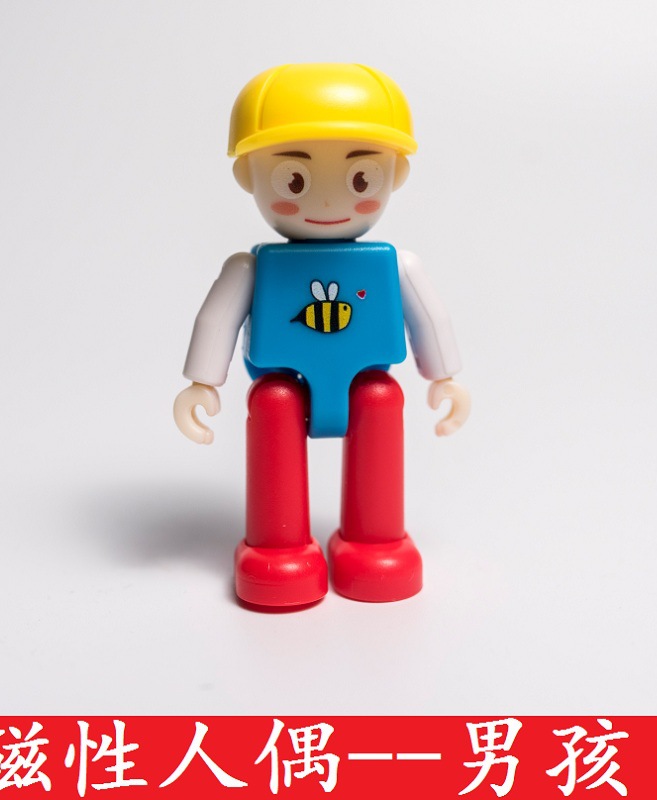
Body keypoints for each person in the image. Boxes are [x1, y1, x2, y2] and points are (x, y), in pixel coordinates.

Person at [173, 64, 470, 608]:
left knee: (381, 400)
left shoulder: (395, 265)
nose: (329, 203)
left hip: (366, 382)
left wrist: (444, 376)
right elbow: (217, 320)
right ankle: (278, 548)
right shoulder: (252, 267)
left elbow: (430, 318)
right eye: (295, 180)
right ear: (248, 175)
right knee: (274, 406)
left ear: (397, 173)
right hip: (284, 381)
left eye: (361, 179)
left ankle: (375, 541)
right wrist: (202, 382)